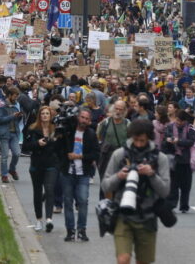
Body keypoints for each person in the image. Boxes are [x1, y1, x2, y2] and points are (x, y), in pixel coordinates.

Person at [102, 119, 171, 264]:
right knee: (123, 259)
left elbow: (165, 191)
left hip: (147, 217)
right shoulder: (119, 155)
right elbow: (105, 185)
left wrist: (151, 174)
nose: (139, 144)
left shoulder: (160, 158)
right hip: (123, 216)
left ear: (149, 138)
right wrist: (119, 176)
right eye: (136, 140)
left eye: (142, 140)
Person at [57, 106, 101, 242]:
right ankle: (70, 230)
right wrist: (66, 155)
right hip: (68, 172)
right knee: (68, 201)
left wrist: (81, 156)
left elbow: (95, 153)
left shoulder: (91, 135)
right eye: (82, 117)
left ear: (89, 121)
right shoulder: (68, 132)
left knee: (82, 201)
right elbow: (57, 149)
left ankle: (82, 229)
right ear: (77, 117)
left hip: (83, 173)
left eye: (87, 119)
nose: (84, 120)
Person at [23, 105, 61, 233]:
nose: (45, 116)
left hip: (51, 164)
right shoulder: (33, 129)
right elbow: (26, 147)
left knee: (49, 189)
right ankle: (39, 219)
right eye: (43, 113)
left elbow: (61, 146)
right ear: (39, 116)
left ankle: (49, 219)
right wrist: (37, 144)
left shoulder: (55, 129)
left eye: (47, 114)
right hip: (37, 164)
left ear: (51, 116)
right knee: (38, 192)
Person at [164, 109, 195, 214]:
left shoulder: (190, 129)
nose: (178, 122)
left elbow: (191, 141)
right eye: (177, 120)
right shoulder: (170, 127)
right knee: (173, 185)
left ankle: (184, 206)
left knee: (186, 185)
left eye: (180, 121)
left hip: (186, 161)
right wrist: (169, 140)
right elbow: (166, 137)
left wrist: (178, 141)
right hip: (174, 159)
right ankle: (171, 204)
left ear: (184, 121)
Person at [0, 87, 23, 183]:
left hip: (14, 133)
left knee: (17, 153)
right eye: (14, 96)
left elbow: (17, 120)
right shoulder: (2, 105)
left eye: (17, 96)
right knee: (4, 155)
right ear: (9, 95)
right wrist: (12, 116)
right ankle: (4, 174)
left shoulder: (16, 105)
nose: (16, 98)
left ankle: (12, 169)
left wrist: (20, 116)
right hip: (5, 133)